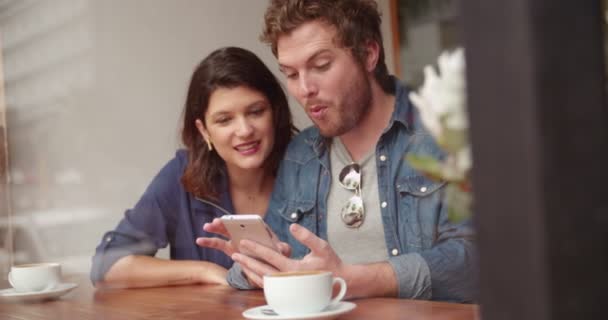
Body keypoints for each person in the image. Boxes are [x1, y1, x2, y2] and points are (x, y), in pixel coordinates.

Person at [198, 0, 477, 302]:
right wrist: (254, 264)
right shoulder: (300, 155)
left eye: (321, 66)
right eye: (291, 74)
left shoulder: (445, 134)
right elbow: (281, 260)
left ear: (369, 54)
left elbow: (478, 259)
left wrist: (364, 280)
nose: (304, 89)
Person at [90, 47, 296, 288]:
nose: (245, 130)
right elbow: (108, 266)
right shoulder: (182, 174)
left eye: (256, 112)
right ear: (203, 130)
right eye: (224, 120)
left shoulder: (309, 167)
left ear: (275, 112)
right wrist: (204, 271)